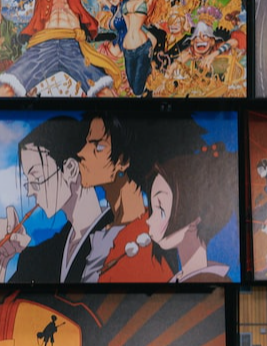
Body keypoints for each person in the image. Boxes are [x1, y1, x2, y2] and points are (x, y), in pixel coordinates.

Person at [76, 112, 204, 282]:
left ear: (123, 161)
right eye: (87, 143)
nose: (81, 153)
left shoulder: (150, 238)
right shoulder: (102, 225)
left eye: (98, 147)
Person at [0, 116, 110, 283]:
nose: (30, 192)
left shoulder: (118, 232)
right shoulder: (40, 256)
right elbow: (4, 302)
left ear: (70, 169)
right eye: (28, 182)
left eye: (36, 178)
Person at [146, 144, 235, 282]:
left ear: (195, 216)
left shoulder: (213, 281)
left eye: (160, 209)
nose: (148, 220)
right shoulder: (181, 279)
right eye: (153, 208)